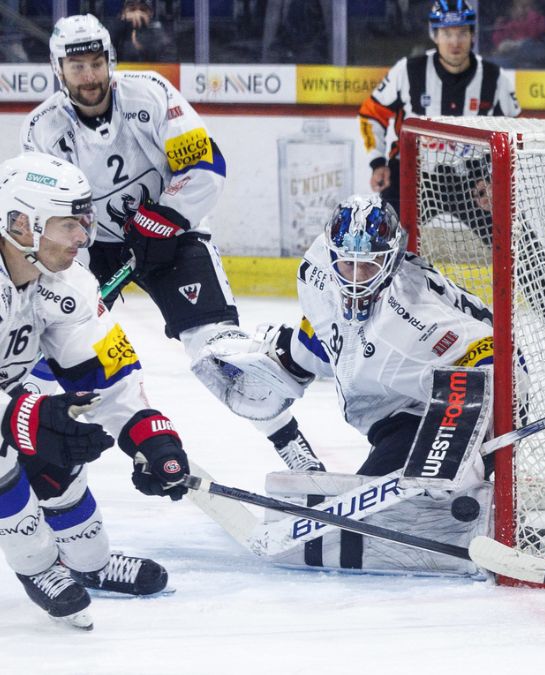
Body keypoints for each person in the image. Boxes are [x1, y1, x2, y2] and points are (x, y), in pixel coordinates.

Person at [20, 14, 323, 472]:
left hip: (173, 234)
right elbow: (51, 213)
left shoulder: (150, 94)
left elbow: (204, 163)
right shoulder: (43, 130)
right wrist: (77, 283)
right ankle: (43, 451)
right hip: (92, 247)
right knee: (60, 344)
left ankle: (290, 442)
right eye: (77, 66)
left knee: (215, 350)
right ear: (58, 69)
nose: (89, 76)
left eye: (97, 63)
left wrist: (163, 219)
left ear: (111, 61)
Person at [220, 194, 495, 574]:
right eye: (346, 264)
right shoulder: (317, 268)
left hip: (442, 403)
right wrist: (288, 364)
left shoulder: (415, 314)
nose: (353, 278)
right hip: (391, 404)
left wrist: (452, 448)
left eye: (367, 267)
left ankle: (478, 493)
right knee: (374, 502)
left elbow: (490, 353)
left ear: (393, 259)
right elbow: (330, 325)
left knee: (397, 511)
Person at [0, 152, 192, 630]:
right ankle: (39, 567)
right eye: (69, 224)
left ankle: (89, 563)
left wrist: (148, 434)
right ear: (22, 223)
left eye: (82, 221)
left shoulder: (65, 281)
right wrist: (19, 419)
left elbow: (102, 369)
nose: (84, 237)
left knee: (61, 434)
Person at [358, 0, 521, 218]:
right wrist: (377, 162)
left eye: (462, 33)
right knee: (386, 237)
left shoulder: (494, 78)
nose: (455, 42)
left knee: (516, 237)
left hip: (471, 180)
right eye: (447, 33)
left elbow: (515, 136)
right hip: (410, 174)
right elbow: (371, 114)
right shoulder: (407, 71)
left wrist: (493, 179)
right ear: (434, 35)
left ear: (473, 35)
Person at [106, 0, 176, 63]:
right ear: (123, 13)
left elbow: (169, 64)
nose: (137, 14)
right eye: (132, 9)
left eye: (143, 10)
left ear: (151, 14)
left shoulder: (159, 35)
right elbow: (105, 54)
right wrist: (122, 24)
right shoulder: (115, 31)